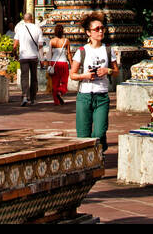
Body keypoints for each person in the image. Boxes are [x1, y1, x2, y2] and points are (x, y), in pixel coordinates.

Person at [70, 11, 115, 152]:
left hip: (101, 96)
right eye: (97, 29)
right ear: (88, 33)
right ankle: (88, 164)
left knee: (100, 133)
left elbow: (116, 71)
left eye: (102, 28)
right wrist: (85, 76)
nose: (100, 31)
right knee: (83, 136)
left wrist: (107, 71)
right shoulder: (82, 51)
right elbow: (72, 75)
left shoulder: (108, 50)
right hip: (84, 96)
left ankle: (99, 152)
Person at [12, 11, 45, 106]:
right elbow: (40, 46)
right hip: (34, 56)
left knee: (24, 77)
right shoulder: (37, 29)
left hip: (23, 56)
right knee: (34, 77)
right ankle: (33, 98)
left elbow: (15, 45)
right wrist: (42, 59)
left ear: (24, 20)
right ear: (32, 19)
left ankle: (25, 96)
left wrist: (15, 54)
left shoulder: (20, 29)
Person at [46, 23, 71, 105]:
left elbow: (49, 54)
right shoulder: (66, 41)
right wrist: (71, 63)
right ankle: (60, 92)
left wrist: (49, 64)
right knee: (64, 81)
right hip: (63, 63)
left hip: (54, 63)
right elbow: (69, 53)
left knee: (55, 83)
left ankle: (56, 101)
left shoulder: (52, 41)